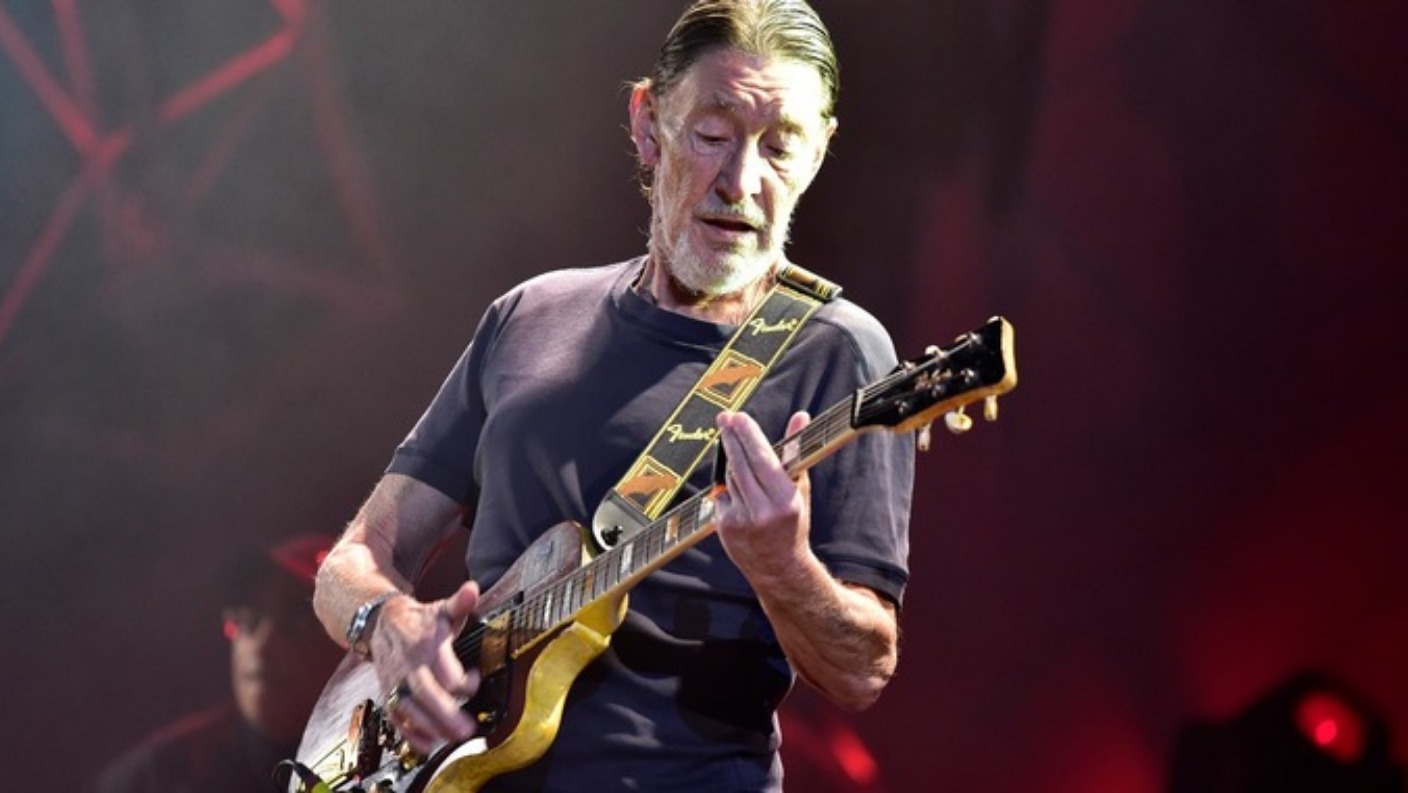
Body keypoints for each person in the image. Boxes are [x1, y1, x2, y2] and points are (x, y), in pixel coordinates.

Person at [311, 1, 915, 789]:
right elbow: (355, 559)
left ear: (820, 153)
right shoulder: (530, 315)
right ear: (647, 124)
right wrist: (387, 622)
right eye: (712, 135)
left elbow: (862, 669)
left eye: (780, 147)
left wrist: (784, 566)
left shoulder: (839, 352)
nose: (741, 181)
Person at [94, 534, 345, 793]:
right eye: (248, 619)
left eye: (296, 619)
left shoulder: (370, 762)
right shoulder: (159, 777)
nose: (262, 644)